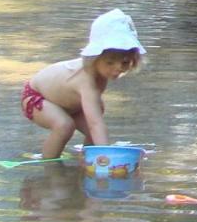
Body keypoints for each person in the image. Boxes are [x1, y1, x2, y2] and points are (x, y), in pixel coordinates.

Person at [21, 9, 146, 159]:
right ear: (94, 58)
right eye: (110, 62)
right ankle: (49, 164)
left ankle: (89, 159)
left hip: (69, 104)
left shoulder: (99, 74)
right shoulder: (85, 80)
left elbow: (95, 127)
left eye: (124, 62)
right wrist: (107, 156)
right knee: (65, 125)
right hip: (37, 98)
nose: (118, 68)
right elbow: (96, 124)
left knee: (96, 118)